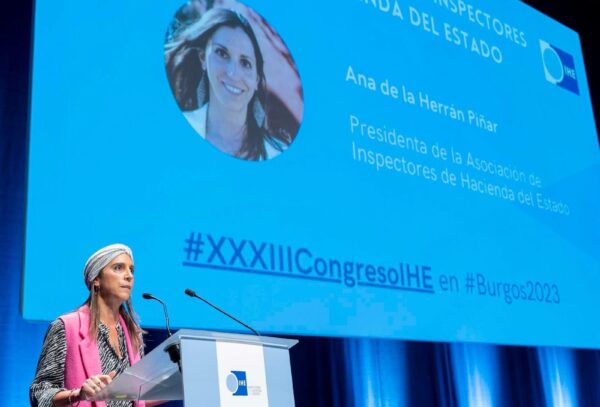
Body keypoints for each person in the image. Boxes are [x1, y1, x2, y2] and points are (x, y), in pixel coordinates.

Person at [30, 244, 158, 407]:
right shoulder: (66, 327)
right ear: (96, 279)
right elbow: (39, 394)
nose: (129, 276)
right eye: (118, 268)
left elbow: (133, 398)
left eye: (131, 270)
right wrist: (78, 394)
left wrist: (176, 386)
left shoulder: (133, 332)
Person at [165, 8, 290, 160]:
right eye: (222, 53)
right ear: (203, 58)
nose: (233, 73)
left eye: (245, 63)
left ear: (257, 80)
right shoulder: (173, 131)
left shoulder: (277, 153)